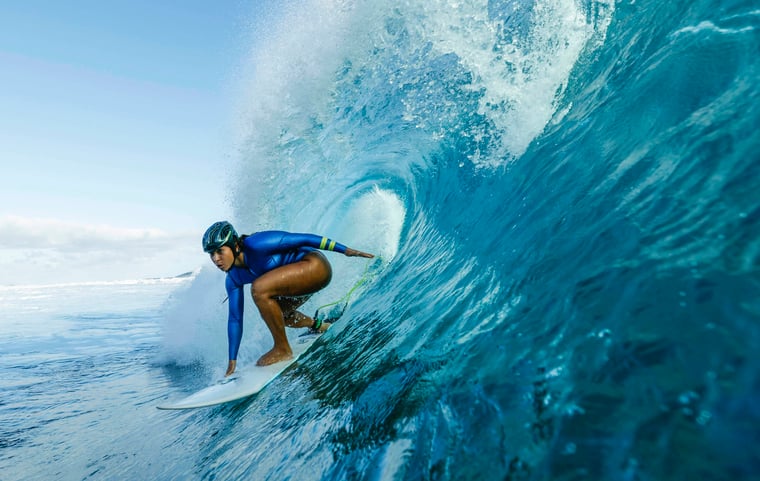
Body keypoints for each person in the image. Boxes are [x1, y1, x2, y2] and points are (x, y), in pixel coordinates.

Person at [202, 221, 374, 375]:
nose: (216, 259)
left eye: (220, 251)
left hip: (315, 267)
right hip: (297, 285)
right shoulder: (233, 278)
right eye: (211, 254)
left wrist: (345, 250)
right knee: (279, 315)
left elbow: (304, 239)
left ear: (235, 246)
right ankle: (318, 326)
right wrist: (232, 361)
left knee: (259, 288)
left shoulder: (257, 244)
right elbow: (235, 318)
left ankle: (282, 349)